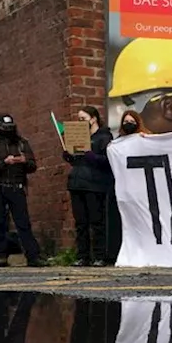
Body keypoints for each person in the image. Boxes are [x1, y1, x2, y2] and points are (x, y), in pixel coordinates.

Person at [0, 114, 43, 267]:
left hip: (16, 185)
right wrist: (4, 162)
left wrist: (24, 161)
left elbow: (32, 166)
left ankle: (32, 255)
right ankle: (1, 256)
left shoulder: (22, 143)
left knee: (23, 222)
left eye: (10, 128)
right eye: (5, 128)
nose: (8, 131)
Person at [63, 106, 115, 267]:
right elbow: (77, 161)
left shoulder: (104, 137)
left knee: (96, 221)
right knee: (81, 223)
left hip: (95, 184)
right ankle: (83, 256)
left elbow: (108, 161)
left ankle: (100, 255)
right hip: (77, 183)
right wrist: (68, 155)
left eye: (83, 119)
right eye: (78, 119)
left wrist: (90, 154)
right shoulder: (79, 136)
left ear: (93, 119)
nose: (80, 122)